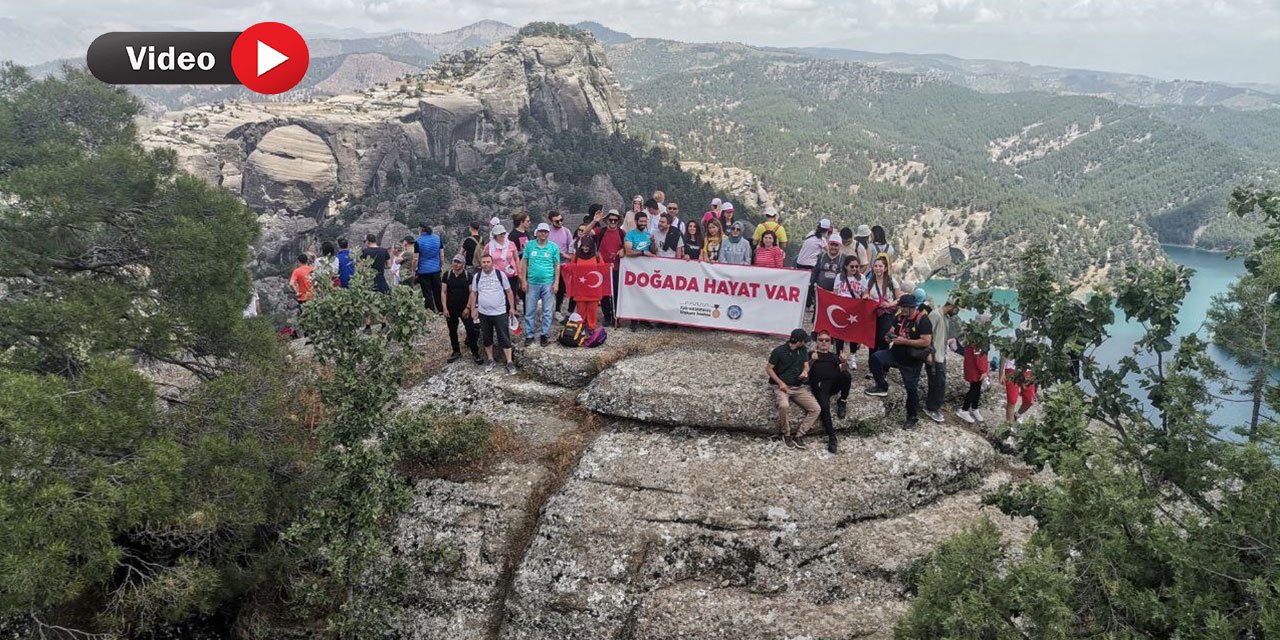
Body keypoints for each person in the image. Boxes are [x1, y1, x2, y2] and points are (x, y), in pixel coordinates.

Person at [865, 295, 933, 429]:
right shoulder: (900, 317)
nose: (901, 310)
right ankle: (881, 386)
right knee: (875, 358)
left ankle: (912, 417)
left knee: (911, 389)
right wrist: (888, 337)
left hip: (911, 362)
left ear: (911, 307)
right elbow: (891, 331)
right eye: (901, 307)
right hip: (894, 354)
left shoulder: (923, 320)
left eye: (904, 307)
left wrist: (905, 341)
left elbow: (926, 341)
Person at [767, 328, 822, 449]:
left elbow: (806, 366)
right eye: (804, 341)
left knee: (816, 408)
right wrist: (780, 383)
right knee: (784, 405)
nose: (806, 343)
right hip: (782, 386)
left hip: (797, 387)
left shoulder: (802, 350)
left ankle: (799, 435)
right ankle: (786, 434)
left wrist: (805, 372)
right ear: (798, 341)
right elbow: (769, 369)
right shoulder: (779, 351)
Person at [468, 253, 518, 376]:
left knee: (504, 336)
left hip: (500, 311)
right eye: (483, 262)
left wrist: (511, 307)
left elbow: (509, 291)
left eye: (488, 262)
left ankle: (509, 361)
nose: (485, 264)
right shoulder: (477, 277)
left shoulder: (500, 275)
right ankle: (490, 359)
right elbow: (473, 293)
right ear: (481, 263)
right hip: (484, 312)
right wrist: (473, 309)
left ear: (492, 263)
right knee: (487, 337)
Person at [809, 330, 853, 452]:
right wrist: (812, 361)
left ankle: (842, 401)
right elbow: (804, 373)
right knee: (824, 407)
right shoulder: (811, 354)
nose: (824, 342)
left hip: (833, 383)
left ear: (830, 343)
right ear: (817, 342)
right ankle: (832, 437)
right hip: (820, 385)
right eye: (821, 340)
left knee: (847, 375)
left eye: (827, 340)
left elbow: (843, 370)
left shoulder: (834, 356)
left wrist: (844, 361)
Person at [522, 222, 561, 347]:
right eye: (541, 231)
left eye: (545, 231)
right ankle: (529, 335)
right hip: (532, 282)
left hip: (548, 283)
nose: (543, 234)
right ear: (537, 232)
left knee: (548, 310)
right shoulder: (529, 245)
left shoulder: (553, 247)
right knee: (529, 310)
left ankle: (544, 334)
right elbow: (524, 263)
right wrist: (523, 280)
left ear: (548, 233)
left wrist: (556, 283)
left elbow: (557, 265)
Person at [586, 208, 627, 326]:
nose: (613, 222)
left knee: (616, 293)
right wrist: (594, 221)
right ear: (607, 220)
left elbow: (627, 246)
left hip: (616, 268)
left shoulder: (621, 233)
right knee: (604, 294)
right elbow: (586, 232)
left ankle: (616, 317)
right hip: (602, 268)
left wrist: (622, 249)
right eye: (611, 220)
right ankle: (607, 316)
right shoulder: (601, 231)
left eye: (615, 220)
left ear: (618, 221)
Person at [923, 298, 959, 423]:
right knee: (937, 382)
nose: (957, 312)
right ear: (951, 306)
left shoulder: (944, 317)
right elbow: (927, 334)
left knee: (939, 382)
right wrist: (928, 354)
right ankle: (931, 408)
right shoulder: (935, 315)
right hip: (934, 355)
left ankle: (933, 407)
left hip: (941, 355)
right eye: (956, 309)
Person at [442, 254, 481, 364]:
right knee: (452, 331)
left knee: (470, 329)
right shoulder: (447, 275)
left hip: (464, 308)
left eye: (459, 262)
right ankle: (456, 351)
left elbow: (472, 293)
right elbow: (443, 292)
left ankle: (475, 352)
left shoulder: (468, 276)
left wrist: (468, 307)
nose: (456, 264)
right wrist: (444, 308)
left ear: (463, 264)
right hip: (451, 307)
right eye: (454, 261)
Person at [864, 254, 898, 370]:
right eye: (876, 266)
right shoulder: (870, 281)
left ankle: (884, 367)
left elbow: (899, 299)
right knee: (872, 340)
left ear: (885, 268)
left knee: (884, 339)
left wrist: (889, 304)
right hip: (873, 314)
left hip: (886, 314)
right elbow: (865, 294)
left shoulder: (891, 282)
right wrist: (867, 296)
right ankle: (873, 368)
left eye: (880, 266)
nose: (878, 268)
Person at [833, 256, 867, 369]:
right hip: (841, 307)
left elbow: (865, 293)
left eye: (857, 266)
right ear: (845, 266)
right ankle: (839, 356)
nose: (855, 268)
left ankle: (852, 356)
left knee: (853, 334)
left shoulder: (861, 278)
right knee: (840, 333)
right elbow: (835, 292)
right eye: (852, 266)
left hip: (854, 309)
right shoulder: (840, 277)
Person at [958, 314, 992, 424]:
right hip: (975, 367)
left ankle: (974, 407)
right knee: (974, 388)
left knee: (976, 388)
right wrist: (983, 370)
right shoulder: (978, 337)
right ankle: (964, 409)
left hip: (973, 365)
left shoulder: (973, 333)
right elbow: (979, 355)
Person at [568, 235, 605, 329]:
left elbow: (603, 270)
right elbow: (571, 268)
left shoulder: (597, 256)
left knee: (592, 312)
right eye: (583, 245)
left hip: (593, 289)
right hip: (580, 289)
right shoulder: (577, 256)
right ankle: (581, 327)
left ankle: (591, 328)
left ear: (591, 245)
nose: (585, 248)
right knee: (581, 311)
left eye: (587, 246)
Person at [485, 224, 521, 314]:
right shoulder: (489, 246)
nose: (502, 235)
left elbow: (516, 258)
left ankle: (512, 312)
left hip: (511, 275)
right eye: (499, 233)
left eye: (503, 233)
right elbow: (485, 258)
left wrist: (519, 271)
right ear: (495, 235)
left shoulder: (511, 244)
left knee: (511, 293)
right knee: (499, 295)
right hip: (497, 275)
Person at [547, 211, 574, 320]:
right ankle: (547, 310)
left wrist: (564, 255)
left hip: (563, 265)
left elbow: (571, 249)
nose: (560, 223)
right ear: (551, 221)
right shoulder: (547, 232)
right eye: (557, 221)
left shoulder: (566, 231)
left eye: (561, 220)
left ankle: (558, 309)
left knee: (561, 289)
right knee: (547, 288)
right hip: (549, 264)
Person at [412, 223, 445, 313]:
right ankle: (441, 310)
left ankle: (431, 311)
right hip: (436, 269)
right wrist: (441, 265)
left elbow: (415, 259)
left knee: (427, 292)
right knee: (437, 291)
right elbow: (442, 255)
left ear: (420, 229)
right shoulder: (437, 238)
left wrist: (414, 270)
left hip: (423, 271)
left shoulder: (418, 241)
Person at [1000, 354, 1037, 424]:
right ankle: (1009, 428)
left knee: (1029, 401)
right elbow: (1004, 352)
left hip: (1029, 369)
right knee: (1012, 400)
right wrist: (1001, 372)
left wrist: (1036, 373)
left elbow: (1038, 355)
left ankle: (1016, 415)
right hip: (1011, 368)